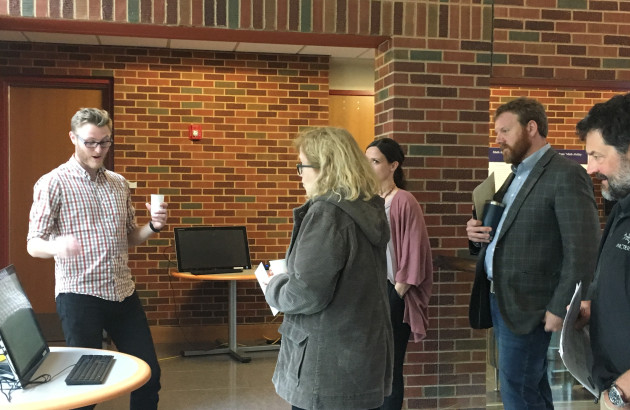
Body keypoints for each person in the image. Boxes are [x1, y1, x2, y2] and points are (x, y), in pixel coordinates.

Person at [26, 108, 166, 410]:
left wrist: (152, 227)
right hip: (80, 295)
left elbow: (128, 238)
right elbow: (33, 245)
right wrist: (58, 247)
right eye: (91, 142)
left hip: (122, 292)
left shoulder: (118, 183)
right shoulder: (53, 183)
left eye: (105, 142)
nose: (99, 150)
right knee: (85, 387)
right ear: (73, 138)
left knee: (149, 375)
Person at [466, 97, 600, 409]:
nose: (498, 139)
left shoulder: (566, 174)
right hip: (501, 299)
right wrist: (476, 235)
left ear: (531, 127)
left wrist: (560, 305)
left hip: (533, 305)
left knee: (517, 390)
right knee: (529, 385)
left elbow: (583, 249)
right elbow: (502, 234)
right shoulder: (512, 176)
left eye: (504, 131)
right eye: (496, 132)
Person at [264, 127, 394, 410]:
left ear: (326, 167)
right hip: (358, 356)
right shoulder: (366, 206)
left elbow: (307, 293)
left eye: (302, 166)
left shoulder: (328, 214)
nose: (299, 174)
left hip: (326, 367)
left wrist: (273, 286)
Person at [365, 138, 433, 410]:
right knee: (370, 362)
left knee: (391, 365)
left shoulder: (404, 201)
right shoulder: (366, 200)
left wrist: (397, 293)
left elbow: (415, 251)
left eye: (375, 161)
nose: (368, 166)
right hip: (368, 293)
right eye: (366, 160)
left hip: (395, 292)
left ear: (393, 165)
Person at [575, 92, 630, 410]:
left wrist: (620, 392)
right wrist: (598, 306)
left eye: (597, 155)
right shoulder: (620, 208)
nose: (591, 168)